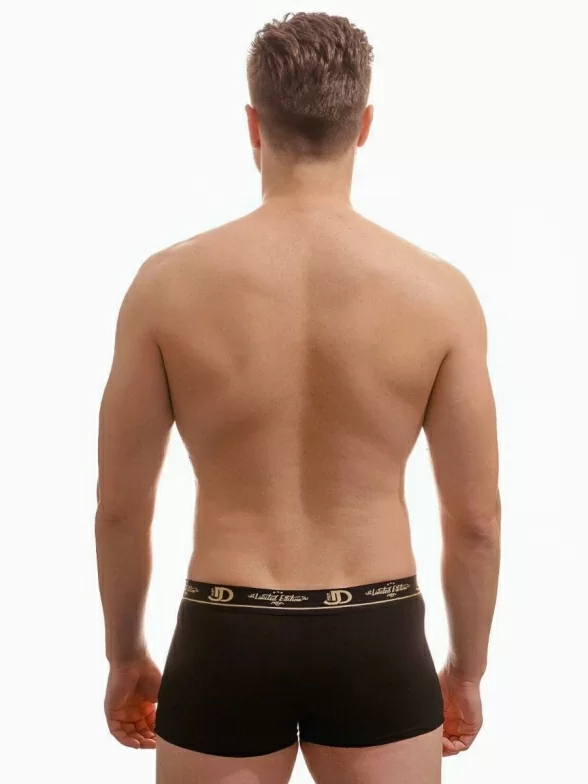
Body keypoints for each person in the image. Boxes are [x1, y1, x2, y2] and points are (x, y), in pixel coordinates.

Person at [94, 11, 501, 784]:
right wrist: (467, 669)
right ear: (365, 125)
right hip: (378, 632)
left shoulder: (166, 287)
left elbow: (120, 507)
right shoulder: (439, 295)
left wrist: (125, 655)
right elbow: (476, 521)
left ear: (254, 123)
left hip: (225, 629)